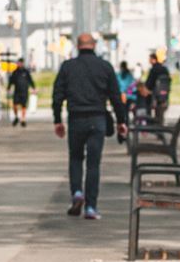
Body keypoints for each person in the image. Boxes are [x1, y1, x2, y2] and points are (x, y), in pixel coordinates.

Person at [53, 33, 128, 220]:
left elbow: (57, 95)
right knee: (93, 164)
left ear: (77, 46)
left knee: (76, 158)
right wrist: (121, 121)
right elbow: (116, 97)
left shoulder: (68, 67)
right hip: (98, 119)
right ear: (94, 45)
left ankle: (77, 193)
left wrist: (57, 120)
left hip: (76, 119)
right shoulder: (105, 67)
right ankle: (91, 207)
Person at [144, 51, 171, 125]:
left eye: (149, 59)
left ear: (153, 59)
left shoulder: (154, 69)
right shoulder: (164, 69)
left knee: (154, 110)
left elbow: (149, 83)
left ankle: (155, 126)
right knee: (161, 112)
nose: (149, 61)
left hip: (155, 94)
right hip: (164, 94)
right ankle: (160, 125)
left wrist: (146, 88)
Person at [9, 59, 34, 127]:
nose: (19, 64)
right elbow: (11, 81)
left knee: (23, 106)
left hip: (24, 91)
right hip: (17, 92)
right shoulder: (15, 72)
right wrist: (8, 87)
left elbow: (30, 80)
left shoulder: (26, 71)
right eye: (18, 63)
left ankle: (23, 119)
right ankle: (16, 117)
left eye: (20, 63)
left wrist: (33, 88)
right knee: (15, 105)